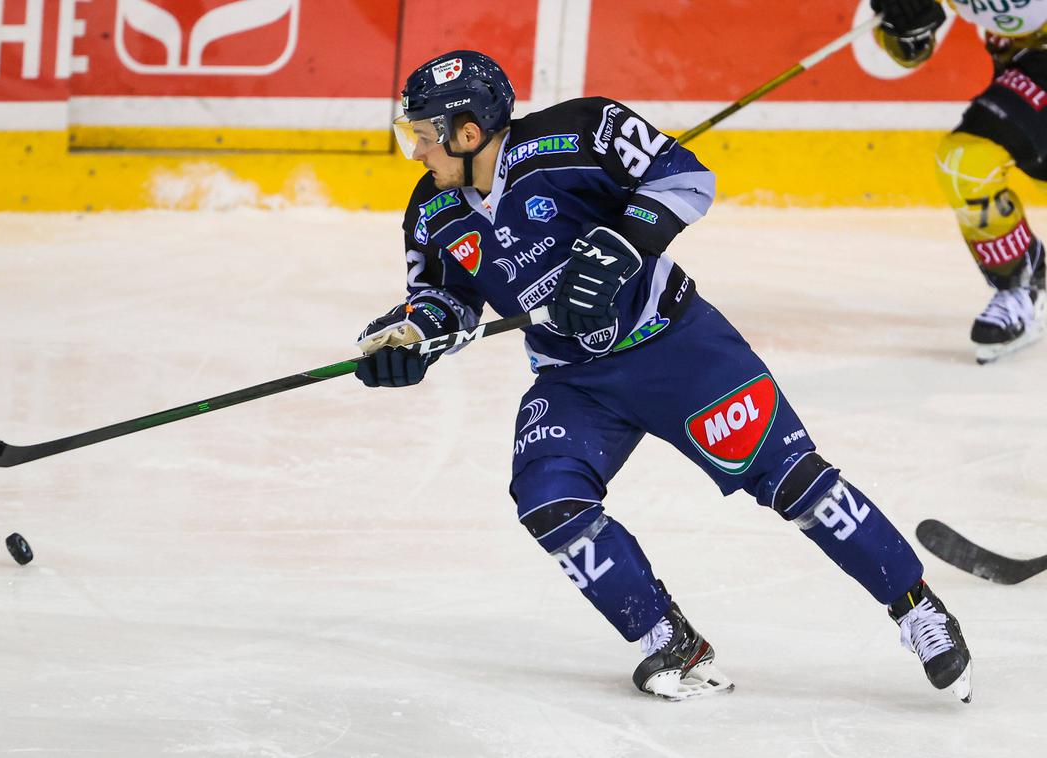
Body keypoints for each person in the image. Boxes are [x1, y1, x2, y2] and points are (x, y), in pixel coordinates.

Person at [353, 50, 972, 701]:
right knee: (548, 500)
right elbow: (446, 304)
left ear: (468, 132)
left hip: (679, 349)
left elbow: (685, 178)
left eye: (424, 137)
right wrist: (409, 339)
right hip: (575, 381)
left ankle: (917, 607)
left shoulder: (582, 132)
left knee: (797, 484)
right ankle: (669, 640)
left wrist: (622, 245)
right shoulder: (431, 212)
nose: (417, 153)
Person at [871, 0, 1047, 364]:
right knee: (966, 162)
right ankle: (1022, 280)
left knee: (968, 159)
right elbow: (911, 45)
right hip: (1029, 62)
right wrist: (904, 26)